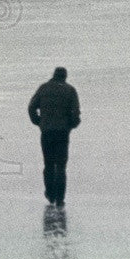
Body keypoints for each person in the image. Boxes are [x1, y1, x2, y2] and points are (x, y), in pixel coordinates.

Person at [28, 67, 81, 207]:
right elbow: (75, 113)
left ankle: (50, 194)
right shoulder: (70, 90)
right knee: (61, 166)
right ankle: (60, 198)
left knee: (49, 164)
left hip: (46, 132)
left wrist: (38, 122)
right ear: (65, 77)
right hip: (62, 132)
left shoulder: (43, 88)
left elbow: (31, 107)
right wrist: (71, 125)